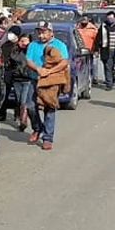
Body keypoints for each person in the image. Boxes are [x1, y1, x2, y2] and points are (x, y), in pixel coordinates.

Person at [26, 22, 69, 151]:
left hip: (51, 81)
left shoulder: (59, 45)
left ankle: (47, 138)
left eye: (44, 32)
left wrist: (49, 71)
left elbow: (64, 62)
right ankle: (37, 128)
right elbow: (28, 60)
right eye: (39, 32)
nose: (41, 35)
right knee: (30, 106)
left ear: (51, 32)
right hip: (35, 79)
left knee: (49, 108)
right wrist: (38, 69)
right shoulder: (33, 45)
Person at [97, 11, 115, 90]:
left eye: (111, 18)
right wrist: (96, 49)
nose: (109, 20)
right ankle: (109, 84)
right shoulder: (103, 26)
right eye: (108, 18)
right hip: (106, 50)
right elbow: (98, 38)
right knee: (108, 67)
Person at [75, 15, 99, 83]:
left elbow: (97, 40)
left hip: (90, 50)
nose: (84, 21)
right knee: (81, 66)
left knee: (92, 65)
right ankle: (84, 78)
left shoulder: (93, 29)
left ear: (88, 20)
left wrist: (96, 50)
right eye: (82, 20)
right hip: (80, 51)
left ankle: (93, 77)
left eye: (85, 20)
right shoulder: (77, 28)